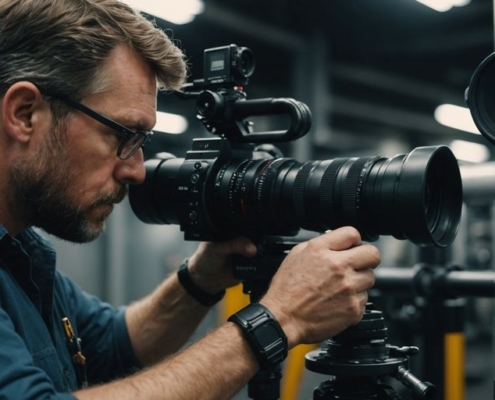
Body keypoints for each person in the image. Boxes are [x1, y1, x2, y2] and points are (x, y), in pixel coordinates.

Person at [0, 0, 380, 399]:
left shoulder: (22, 254)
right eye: (124, 135)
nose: (138, 170)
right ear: (25, 114)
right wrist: (280, 319)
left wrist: (201, 279)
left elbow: (112, 345)